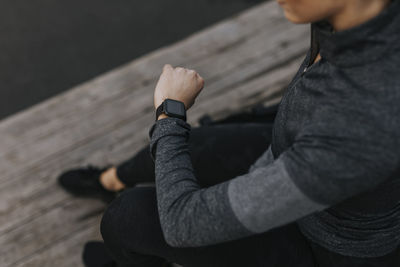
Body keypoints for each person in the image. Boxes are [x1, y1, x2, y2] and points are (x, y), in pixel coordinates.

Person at [58, 0, 400, 266]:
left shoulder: (361, 123)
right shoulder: (354, 21)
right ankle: (111, 180)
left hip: (322, 242)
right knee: (197, 147)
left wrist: (169, 111)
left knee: (128, 218)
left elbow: (182, 224)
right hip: (293, 150)